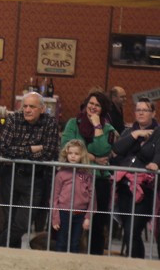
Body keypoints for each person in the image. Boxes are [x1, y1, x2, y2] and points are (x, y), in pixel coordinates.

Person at [0, 92, 60, 248]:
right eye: (25, 106)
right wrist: (33, 149)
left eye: (32, 106)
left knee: (22, 223)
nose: (27, 110)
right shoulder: (14, 119)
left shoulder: (50, 123)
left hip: (35, 178)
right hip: (11, 176)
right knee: (9, 220)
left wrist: (21, 151)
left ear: (42, 109)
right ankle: (12, 254)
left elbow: (50, 152)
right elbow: (5, 149)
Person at [61, 91, 118, 256]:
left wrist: (97, 126)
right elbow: (66, 146)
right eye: (91, 103)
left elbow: (103, 151)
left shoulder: (108, 129)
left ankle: (95, 257)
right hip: (74, 178)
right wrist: (92, 157)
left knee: (97, 223)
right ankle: (65, 253)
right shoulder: (74, 123)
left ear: (103, 109)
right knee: (69, 219)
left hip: (99, 179)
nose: (93, 107)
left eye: (97, 105)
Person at [110, 99, 160, 259]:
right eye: (138, 109)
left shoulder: (158, 133)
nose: (141, 113)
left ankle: (138, 266)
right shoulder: (128, 132)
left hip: (146, 190)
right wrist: (136, 134)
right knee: (127, 230)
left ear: (153, 113)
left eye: (145, 110)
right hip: (125, 188)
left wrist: (156, 163)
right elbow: (117, 150)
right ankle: (133, 263)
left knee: (133, 230)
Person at [50, 139, 93, 254]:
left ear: (82, 155)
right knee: (61, 242)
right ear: (66, 154)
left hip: (80, 214)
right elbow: (55, 196)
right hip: (63, 212)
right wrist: (55, 217)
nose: (73, 156)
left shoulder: (87, 175)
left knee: (75, 243)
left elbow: (92, 197)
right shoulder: (61, 174)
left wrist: (88, 217)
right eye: (70, 153)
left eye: (76, 154)